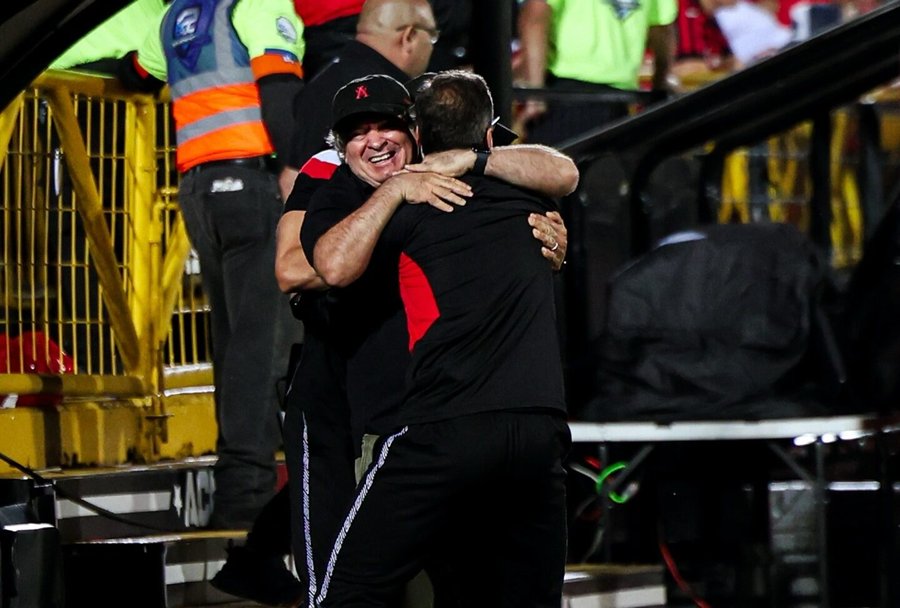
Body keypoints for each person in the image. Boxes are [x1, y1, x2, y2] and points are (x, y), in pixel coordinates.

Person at [301, 71, 574, 607]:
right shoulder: (527, 198)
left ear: (418, 136)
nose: (375, 142)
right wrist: (403, 186)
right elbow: (563, 173)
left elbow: (331, 266)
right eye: (358, 133)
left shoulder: (417, 205)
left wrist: (419, 182)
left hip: (442, 428)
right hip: (536, 431)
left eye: (387, 128)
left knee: (349, 591)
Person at [122, 0, 306, 531]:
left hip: (199, 190)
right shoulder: (257, 4)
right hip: (251, 182)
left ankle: (242, 486)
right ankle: (246, 494)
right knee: (260, 343)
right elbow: (279, 93)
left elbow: (136, 75)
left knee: (232, 341)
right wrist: (297, 171)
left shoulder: (176, 14)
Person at [516, 0, 678, 145]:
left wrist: (534, 97)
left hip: (565, 101)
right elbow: (662, 30)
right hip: (621, 106)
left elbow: (535, 18)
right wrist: (660, 85)